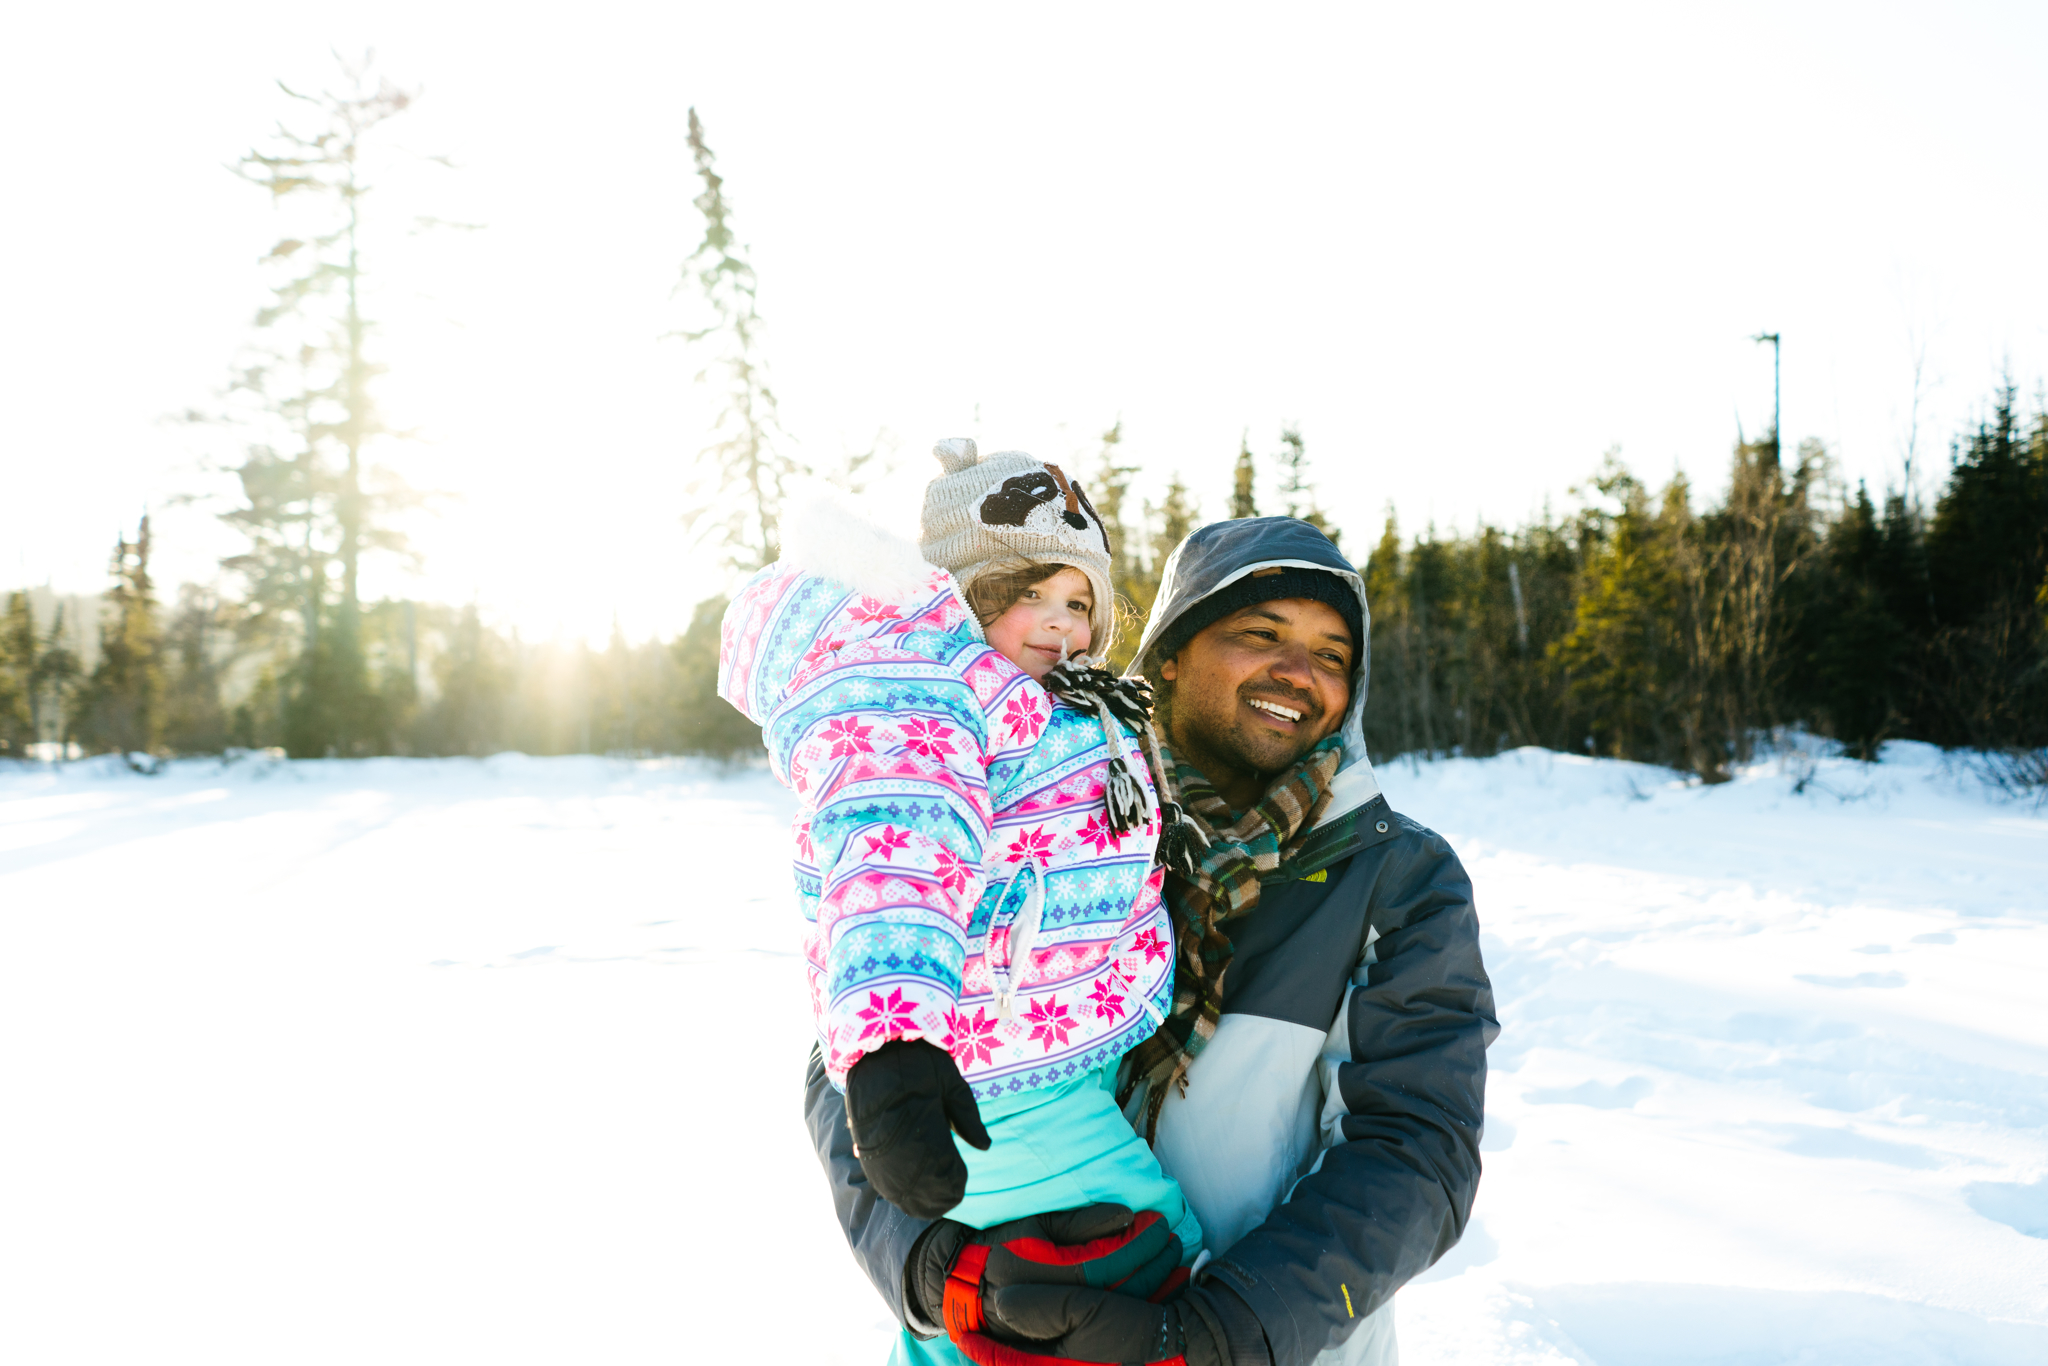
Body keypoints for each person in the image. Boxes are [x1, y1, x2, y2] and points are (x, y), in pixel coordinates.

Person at [805, 514, 1499, 1366]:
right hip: (1002, 1334)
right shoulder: (1043, 803)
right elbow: (858, 1056)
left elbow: (1417, 1153)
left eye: (1331, 655)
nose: (1299, 672)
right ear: (1171, 650)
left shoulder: (1393, 877)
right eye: (1262, 633)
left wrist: (1209, 1338)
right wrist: (929, 1268)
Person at [720, 439, 1213, 1365]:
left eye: (1080, 604)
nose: (1060, 625)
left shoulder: (1057, 709)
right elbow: (896, 842)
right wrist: (895, 1041)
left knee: (983, 1317)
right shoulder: (925, 694)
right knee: (1142, 1256)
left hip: (1058, 1053)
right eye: (1029, 594)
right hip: (989, 1072)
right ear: (966, 594)